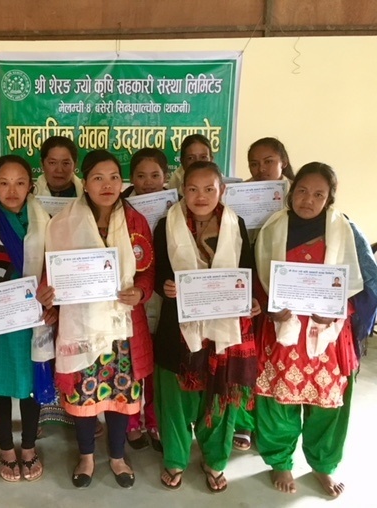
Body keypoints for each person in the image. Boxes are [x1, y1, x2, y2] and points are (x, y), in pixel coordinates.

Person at [254, 162, 377, 497]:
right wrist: (270, 306)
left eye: (318, 194)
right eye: (302, 191)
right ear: (291, 192)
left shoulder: (345, 230)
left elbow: (363, 284)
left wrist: (338, 312)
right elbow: (259, 278)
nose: (308, 200)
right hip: (282, 329)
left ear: (329, 199)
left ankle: (323, 464)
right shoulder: (273, 228)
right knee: (277, 399)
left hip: (329, 333)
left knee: (328, 404)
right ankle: (280, 460)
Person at [41, 149, 155, 489]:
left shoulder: (135, 221)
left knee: (121, 394)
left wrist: (141, 292)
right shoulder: (63, 222)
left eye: (114, 178)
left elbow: (148, 271)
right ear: (85, 183)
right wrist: (47, 292)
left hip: (123, 328)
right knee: (83, 395)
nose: (107, 185)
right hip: (82, 326)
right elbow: (51, 271)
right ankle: (87, 456)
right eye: (98, 178)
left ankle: (117, 456)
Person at [153, 160, 260, 493]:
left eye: (209, 189)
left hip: (223, 327)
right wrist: (165, 286)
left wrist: (252, 300)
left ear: (222, 190)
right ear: (182, 191)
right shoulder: (165, 225)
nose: (201, 196)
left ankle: (215, 459)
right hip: (177, 326)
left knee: (219, 397)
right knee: (174, 398)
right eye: (193, 189)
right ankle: (175, 458)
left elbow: (246, 271)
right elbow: (157, 272)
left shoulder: (235, 224)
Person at [0, 154, 55, 483]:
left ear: (30, 185)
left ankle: (28, 447)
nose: (12, 190)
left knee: (30, 386)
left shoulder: (46, 221)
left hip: (32, 318)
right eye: (4, 183)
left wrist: (51, 300)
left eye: (19, 183)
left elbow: (53, 267)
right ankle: (6, 449)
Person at [233, 136, 295, 452]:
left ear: (283, 161)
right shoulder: (239, 196)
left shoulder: (297, 196)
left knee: (275, 355)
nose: (261, 169)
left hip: (284, 286)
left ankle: (271, 425)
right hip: (249, 280)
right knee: (247, 351)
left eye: (268, 161)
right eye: (254, 164)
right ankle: (244, 421)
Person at [121, 148, 168, 452]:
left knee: (155, 364)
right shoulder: (118, 209)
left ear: (166, 176)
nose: (148, 182)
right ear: (131, 178)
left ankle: (154, 421)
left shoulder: (177, 207)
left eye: (155, 175)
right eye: (140, 175)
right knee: (131, 362)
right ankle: (130, 422)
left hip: (164, 295)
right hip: (131, 295)